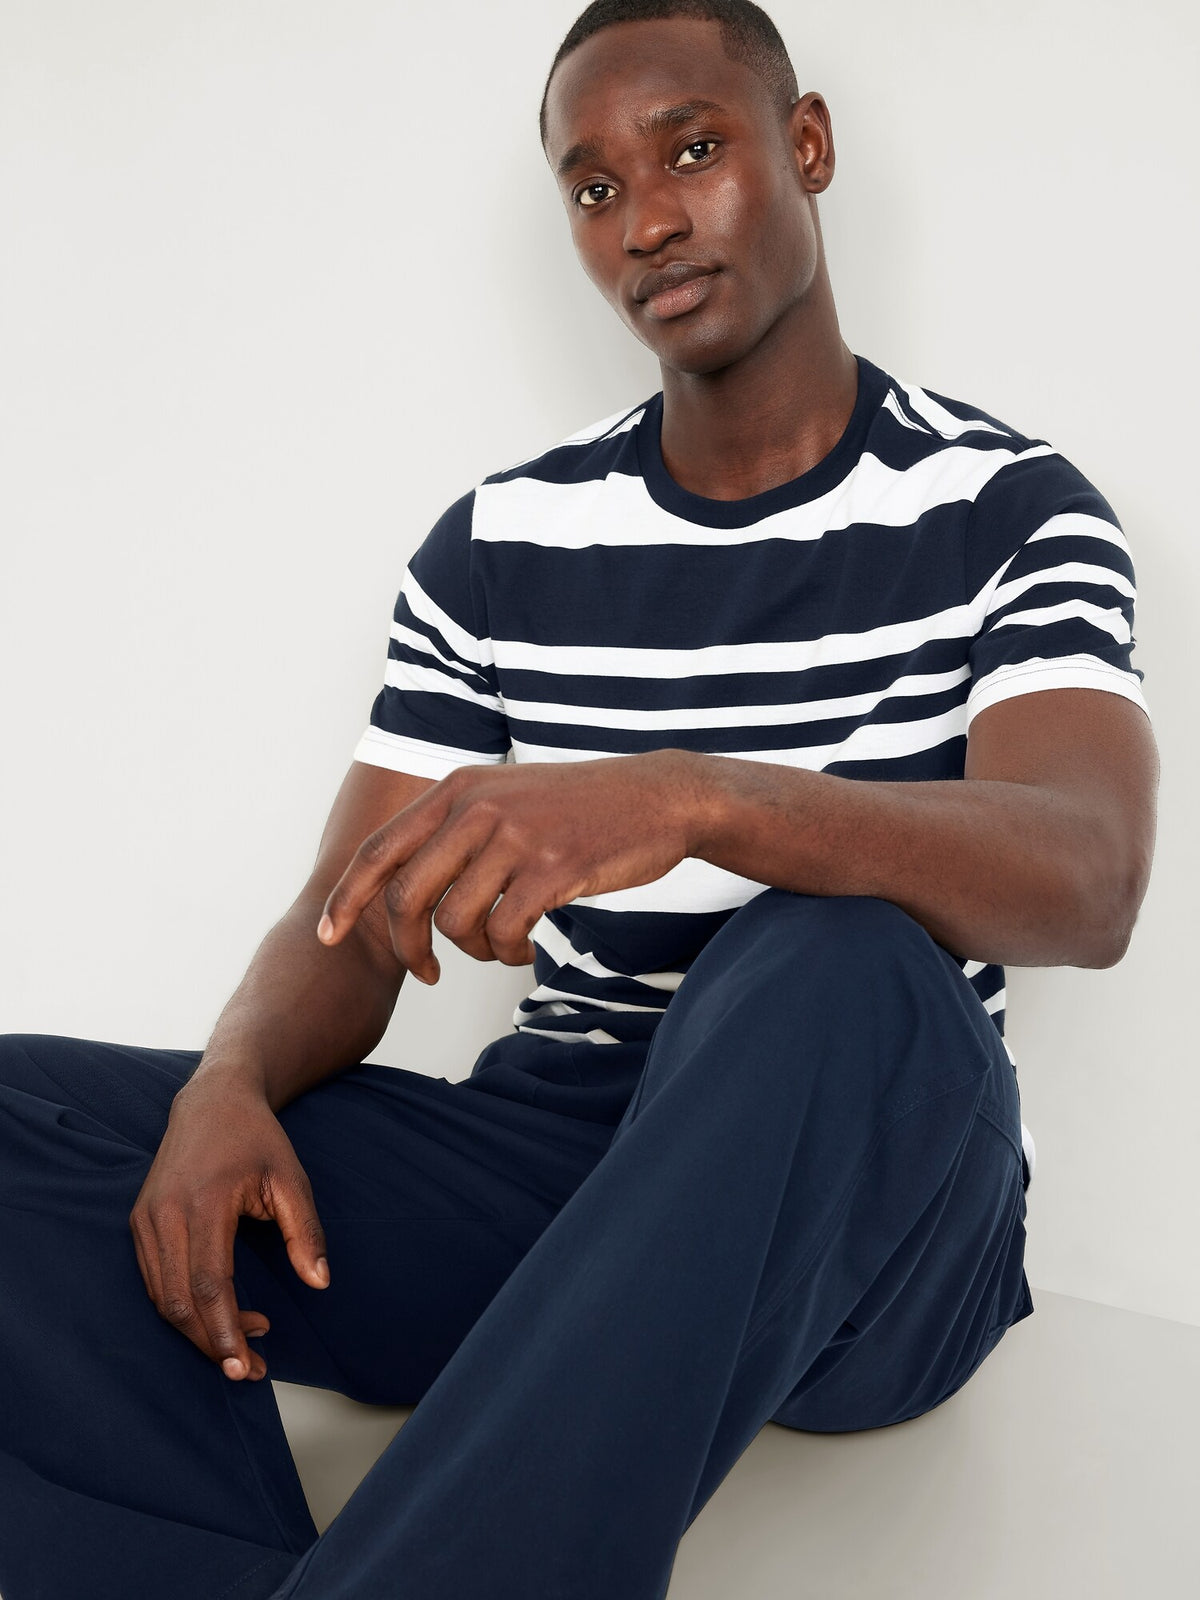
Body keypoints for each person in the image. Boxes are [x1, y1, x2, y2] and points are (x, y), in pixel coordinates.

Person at [0, 2, 1160, 1597]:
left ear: (806, 145)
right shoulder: (503, 544)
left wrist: (693, 800)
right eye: (596, 187)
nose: (649, 220)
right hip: (560, 1168)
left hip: (878, 1224)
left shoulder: (1010, 510)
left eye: (694, 150)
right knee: (22, 1116)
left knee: (834, 957)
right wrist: (230, 1078)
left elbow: (1091, 878)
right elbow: (352, 910)